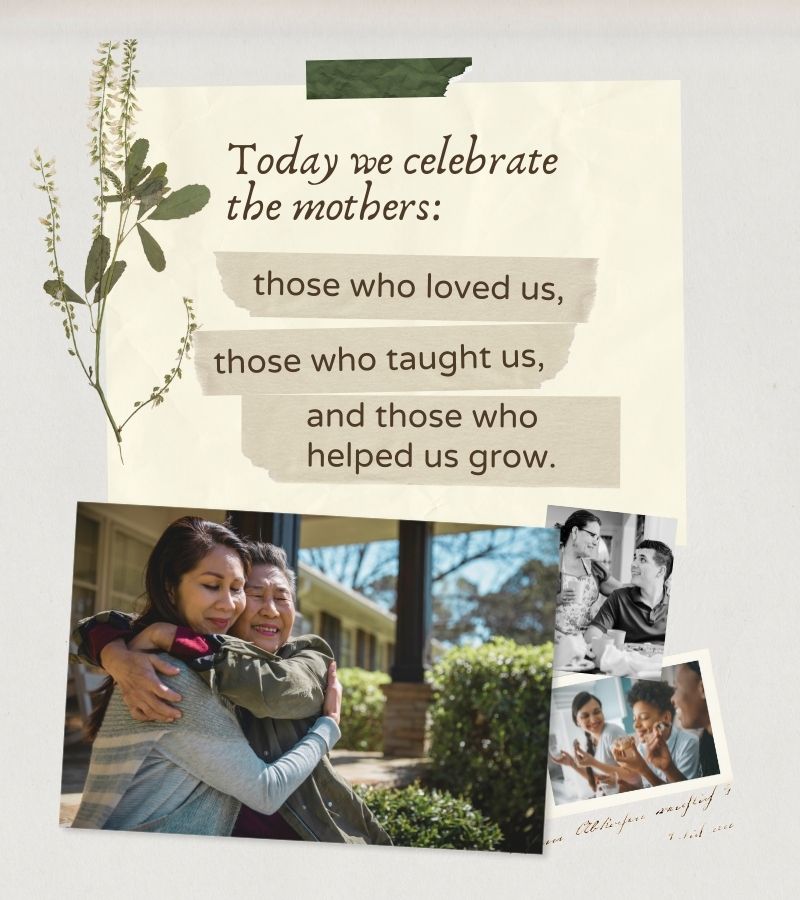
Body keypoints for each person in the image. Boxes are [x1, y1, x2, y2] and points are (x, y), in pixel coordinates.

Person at [73, 538, 391, 844]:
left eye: (282, 597)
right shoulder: (181, 669)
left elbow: (274, 689)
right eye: (255, 594)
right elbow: (86, 631)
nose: (271, 610)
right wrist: (114, 652)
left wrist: (171, 637)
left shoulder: (310, 655)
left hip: (309, 835)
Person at [610, 679, 699, 787]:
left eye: (644, 717)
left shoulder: (689, 743)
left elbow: (685, 792)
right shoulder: (642, 749)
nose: (635, 725)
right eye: (634, 719)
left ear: (666, 718)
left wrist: (643, 769)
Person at [584, 539, 673, 645]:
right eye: (635, 558)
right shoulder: (619, 598)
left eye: (642, 560)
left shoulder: (677, 605)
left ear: (661, 571)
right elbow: (591, 635)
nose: (633, 564)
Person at [549, 692, 637, 797]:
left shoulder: (612, 733)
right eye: (585, 716)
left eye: (597, 712)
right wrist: (572, 763)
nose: (593, 719)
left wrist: (593, 763)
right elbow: (598, 780)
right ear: (577, 721)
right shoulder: (591, 739)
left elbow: (633, 775)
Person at [555, 510, 621, 638]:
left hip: (586, 641)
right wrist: (557, 599)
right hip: (557, 642)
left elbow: (622, 590)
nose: (596, 542)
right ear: (575, 532)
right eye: (592, 535)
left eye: (597, 538)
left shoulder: (595, 568)